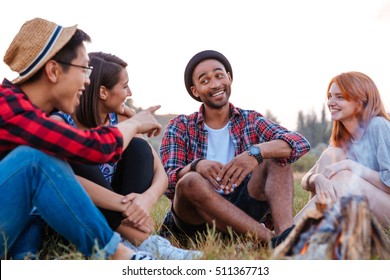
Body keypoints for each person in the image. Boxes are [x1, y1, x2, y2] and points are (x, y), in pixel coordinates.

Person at [0, 17, 162, 260]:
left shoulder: (24, 112)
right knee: (35, 161)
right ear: (54, 71)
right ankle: (123, 257)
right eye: (84, 69)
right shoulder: (9, 109)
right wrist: (136, 122)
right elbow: (94, 148)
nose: (87, 80)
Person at [51, 51, 202, 260]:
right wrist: (126, 205)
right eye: (124, 86)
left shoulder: (122, 119)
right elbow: (64, 182)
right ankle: (143, 241)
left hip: (119, 214)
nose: (129, 92)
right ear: (103, 92)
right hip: (74, 217)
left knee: (139, 148)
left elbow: (161, 173)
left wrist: (145, 200)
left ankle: (130, 241)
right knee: (83, 151)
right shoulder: (60, 122)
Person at [159, 50, 311, 248]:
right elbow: (168, 183)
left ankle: (286, 235)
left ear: (229, 78)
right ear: (195, 90)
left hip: (242, 211)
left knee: (276, 157)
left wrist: (254, 153)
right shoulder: (180, 126)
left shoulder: (250, 120)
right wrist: (196, 166)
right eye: (205, 81)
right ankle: (272, 240)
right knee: (190, 181)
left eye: (219, 75)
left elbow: (298, 143)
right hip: (195, 221)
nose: (215, 84)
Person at [294, 71, 390, 226]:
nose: (331, 102)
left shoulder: (379, 126)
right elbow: (306, 180)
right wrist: (317, 179)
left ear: (360, 102)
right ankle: (303, 230)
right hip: (362, 207)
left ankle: (288, 235)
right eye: (330, 96)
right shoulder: (343, 139)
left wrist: (350, 166)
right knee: (331, 154)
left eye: (340, 97)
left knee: (344, 176)